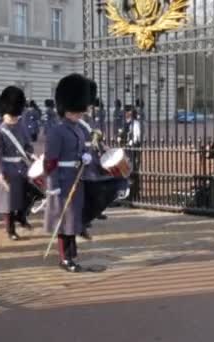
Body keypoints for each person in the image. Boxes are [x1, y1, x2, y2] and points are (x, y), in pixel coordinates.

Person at [44, 73, 92, 272]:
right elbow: (50, 161)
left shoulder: (78, 128)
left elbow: (80, 149)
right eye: (75, 111)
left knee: (72, 220)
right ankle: (64, 258)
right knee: (64, 221)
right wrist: (52, 186)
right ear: (66, 109)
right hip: (62, 181)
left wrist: (84, 157)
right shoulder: (57, 130)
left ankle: (72, 255)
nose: (79, 114)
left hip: (75, 178)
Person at [79, 80, 130, 240]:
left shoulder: (90, 120)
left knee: (100, 190)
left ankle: (89, 216)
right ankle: (83, 221)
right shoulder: (78, 121)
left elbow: (96, 138)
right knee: (89, 193)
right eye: (90, 106)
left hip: (94, 159)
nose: (92, 109)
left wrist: (104, 147)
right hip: (85, 162)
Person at [0, 86, 36, 241]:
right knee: (7, 204)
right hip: (7, 170)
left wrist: (31, 154)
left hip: (21, 168)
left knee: (26, 197)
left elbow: (27, 146)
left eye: (16, 115)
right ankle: (10, 230)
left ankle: (22, 218)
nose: (14, 118)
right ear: (4, 113)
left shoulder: (21, 127)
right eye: (12, 115)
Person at [120, 104, 142, 200]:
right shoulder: (126, 122)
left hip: (132, 149)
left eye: (126, 111)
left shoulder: (135, 123)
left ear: (130, 113)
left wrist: (130, 143)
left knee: (132, 171)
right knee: (126, 171)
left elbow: (137, 137)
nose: (124, 113)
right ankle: (126, 194)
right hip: (126, 149)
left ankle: (134, 194)